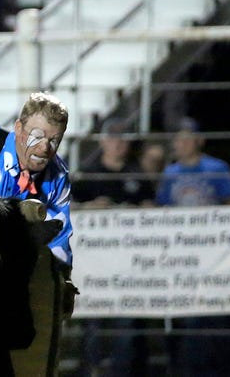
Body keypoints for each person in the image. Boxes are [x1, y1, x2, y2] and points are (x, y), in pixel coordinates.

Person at [155, 116, 230, 376]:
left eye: (185, 138)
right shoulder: (170, 173)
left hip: (213, 253)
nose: (180, 144)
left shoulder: (216, 168)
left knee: (215, 314)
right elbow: (162, 208)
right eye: (177, 139)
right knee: (187, 316)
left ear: (198, 141)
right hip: (183, 254)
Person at [0, 92, 73, 265]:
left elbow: (59, 244)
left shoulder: (57, 177)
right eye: (37, 136)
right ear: (18, 128)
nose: (45, 148)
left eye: (54, 140)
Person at [71, 116, 149, 376]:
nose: (118, 145)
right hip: (96, 265)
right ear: (104, 142)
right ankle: (91, 369)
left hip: (129, 264)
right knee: (93, 325)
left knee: (126, 329)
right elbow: (67, 206)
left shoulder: (138, 173)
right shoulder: (87, 172)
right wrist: (89, 207)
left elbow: (152, 207)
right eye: (113, 140)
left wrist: (139, 209)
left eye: (122, 141)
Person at [73, 116, 152, 208]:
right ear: (102, 141)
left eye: (123, 139)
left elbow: (149, 201)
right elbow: (69, 204)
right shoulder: (87, 174)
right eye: (112, 138)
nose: (117, 143)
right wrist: (91, 205)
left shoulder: (138, 173)